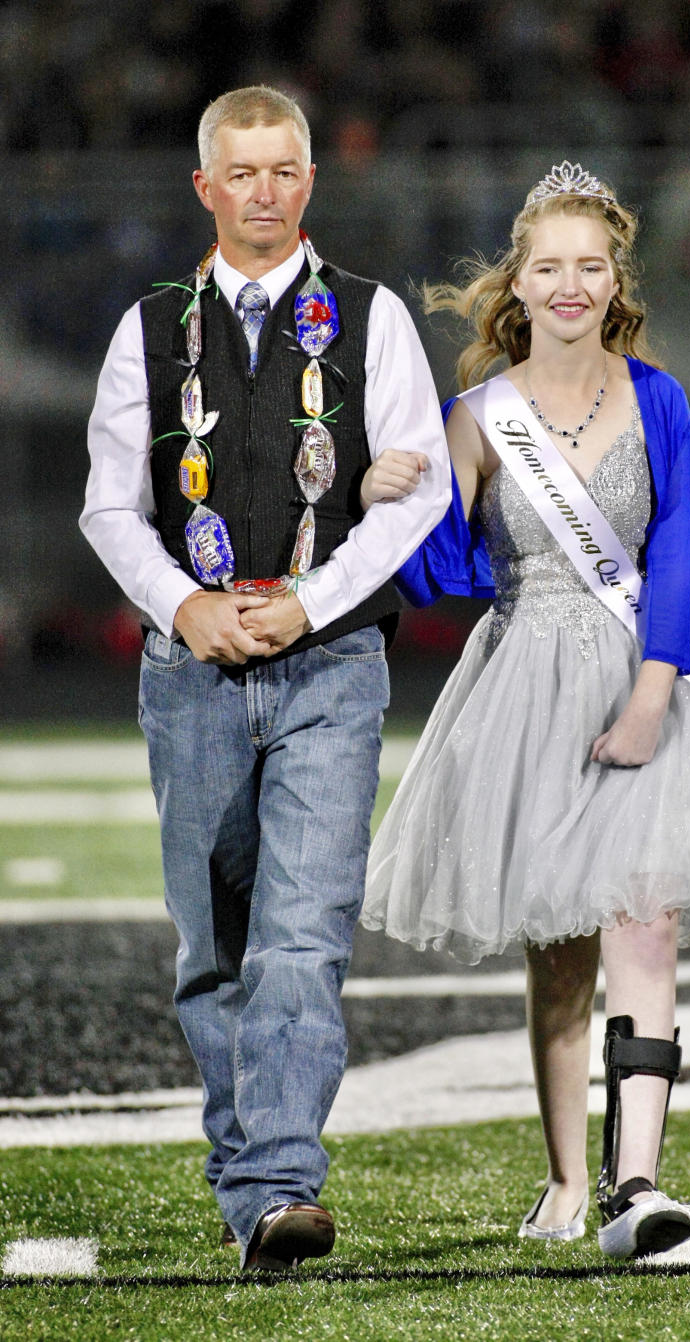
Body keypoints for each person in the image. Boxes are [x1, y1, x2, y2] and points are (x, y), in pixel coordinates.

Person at [361, 162, 690, 1262]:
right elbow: (443, 576)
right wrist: (404, 487)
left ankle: (639, 1187)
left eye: (591, 266)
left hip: (640, 674)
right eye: (551, 267)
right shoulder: (479, 415)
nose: (571, 284)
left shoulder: (657, 396)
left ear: (615, 279)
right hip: (524, 686)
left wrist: (651, 689)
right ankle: (565, 1177)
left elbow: (673, 548)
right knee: (560, 944)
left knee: (648, 916)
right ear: (519, 283)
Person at [80, 85, 450, 1270]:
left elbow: (423, 492)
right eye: (240, 173)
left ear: (309, 181)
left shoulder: (372, 315)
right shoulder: (147, 326)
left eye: (283, 170)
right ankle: (255, 1189)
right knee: (215, 946)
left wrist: (307, 603)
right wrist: (186, 606)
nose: (263, 192)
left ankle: (281, 1178)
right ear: (205, 186)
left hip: (331, 666)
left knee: (303, 934)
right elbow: (108, 505)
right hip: (189, 670)